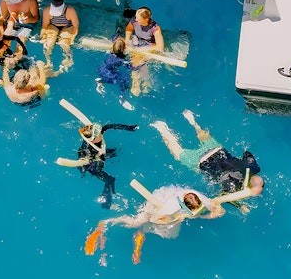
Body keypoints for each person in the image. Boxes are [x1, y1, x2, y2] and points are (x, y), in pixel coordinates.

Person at [86, 185, 224, 264]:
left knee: (173, 235)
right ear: (183, 206)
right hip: (159, 201)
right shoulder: (170, 207)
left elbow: (218, 210)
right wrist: (175, 219)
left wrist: (206, 216)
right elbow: (154, 219)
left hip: (175, 198)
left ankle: (142, 233)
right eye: (194, 212)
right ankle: (107, 222)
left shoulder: (198, 198)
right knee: (137, 222)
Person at [151, 110, 264, 201]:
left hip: (218, 151)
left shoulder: (252, 165)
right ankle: (162, 129)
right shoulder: (234, 186)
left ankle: (192, 121)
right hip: (202, 161)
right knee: (177, 152)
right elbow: (221, 197)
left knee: (203, 136)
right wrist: (240, 205)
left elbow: (247, 153)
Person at [60, 122, 138, 209]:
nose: (101, 133)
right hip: (91, 165)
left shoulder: (98, 135)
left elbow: (110, 126)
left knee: (114, 152)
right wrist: (90, 160)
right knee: (110, 180)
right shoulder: (88, 152)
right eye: (98, 134)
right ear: (93, 140)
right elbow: (80, 162)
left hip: (98, 152)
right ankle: (106, 199)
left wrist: (129, 127)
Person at [124, 7, 165, 96]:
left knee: (141, 60)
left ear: (146, 19)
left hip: (150, 46)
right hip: (139, 42)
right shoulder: (134, 20)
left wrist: (142, 49)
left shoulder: (155, 28)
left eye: (138, 18)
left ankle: (143, 81)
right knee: (135, 58)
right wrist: (127, 39)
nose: (136, 20)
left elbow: (160, 47)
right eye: (136, 17)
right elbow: (129, 29)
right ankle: (137, 82)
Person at [40, 0, 79, 73]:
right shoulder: (47, 11)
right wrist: (43, 34)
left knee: (64, 43)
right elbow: (45, 25)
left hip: (67, 26)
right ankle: (48, 61)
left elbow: (76, 26)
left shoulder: (70, 11)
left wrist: (72, 38)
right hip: (54, 25)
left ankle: (68, 59)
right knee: (49, 43)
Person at [96, 37, 134, 110]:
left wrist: (117, 34)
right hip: (108, 73)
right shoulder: (122, 59)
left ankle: (101, 80)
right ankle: (122, 99)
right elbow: (132, 67)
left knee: (119, 76)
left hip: (101, 69)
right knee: (125, 81)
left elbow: (115, 40)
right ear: (124, 49)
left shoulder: (112, 53)